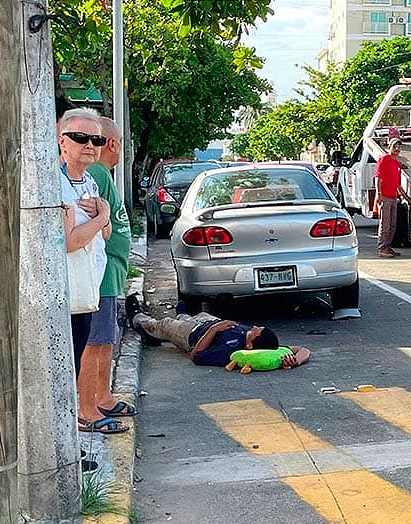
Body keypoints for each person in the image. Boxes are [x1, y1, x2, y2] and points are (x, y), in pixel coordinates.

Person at [59, 108, 128, 435]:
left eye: (96, 140)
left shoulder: (88, 181)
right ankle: (84, 414)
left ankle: (84, 417)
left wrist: (103, 216)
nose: (89, 145)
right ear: (63, 142)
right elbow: (70, 242)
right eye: (80, 138)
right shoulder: (56, 185)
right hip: (69, 291)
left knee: (87, 348)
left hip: (91, 284)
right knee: (78, 354)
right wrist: (101, 217)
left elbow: (106, 233)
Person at [77, 117, 135, 431]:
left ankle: (103, 397)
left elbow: (108, 222)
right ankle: (88, 408)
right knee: (95, 341)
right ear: (114, 143)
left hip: (110, 271)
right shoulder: (97, 172)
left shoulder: (99, 175)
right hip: (101, 272)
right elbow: (94, 223)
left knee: (104, 338)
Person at [125, 294, 311, 369]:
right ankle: (182, 314)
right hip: (208, 321)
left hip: (192, 334)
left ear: (249, 345)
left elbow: (196, 355)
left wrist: (214, 330)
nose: (254, 327)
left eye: (256, 331)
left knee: (164, 325)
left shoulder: (231, 349)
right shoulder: (266, 344)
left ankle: (138, 319)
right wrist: (297, 360)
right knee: (190, 316)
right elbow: (303, 349)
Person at [374, 137, 403, 258]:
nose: (397, 149)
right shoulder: (384, 159)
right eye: (394, 146)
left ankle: (388, 246)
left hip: (393, 196)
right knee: (385, 224)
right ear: (388, 148)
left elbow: (398, 183)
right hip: (385, 196)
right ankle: (382, 248)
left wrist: (404, 196)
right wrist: (379, 193)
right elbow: (378, 177)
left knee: (392, 224)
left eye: (399, 147)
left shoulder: (397, 163)